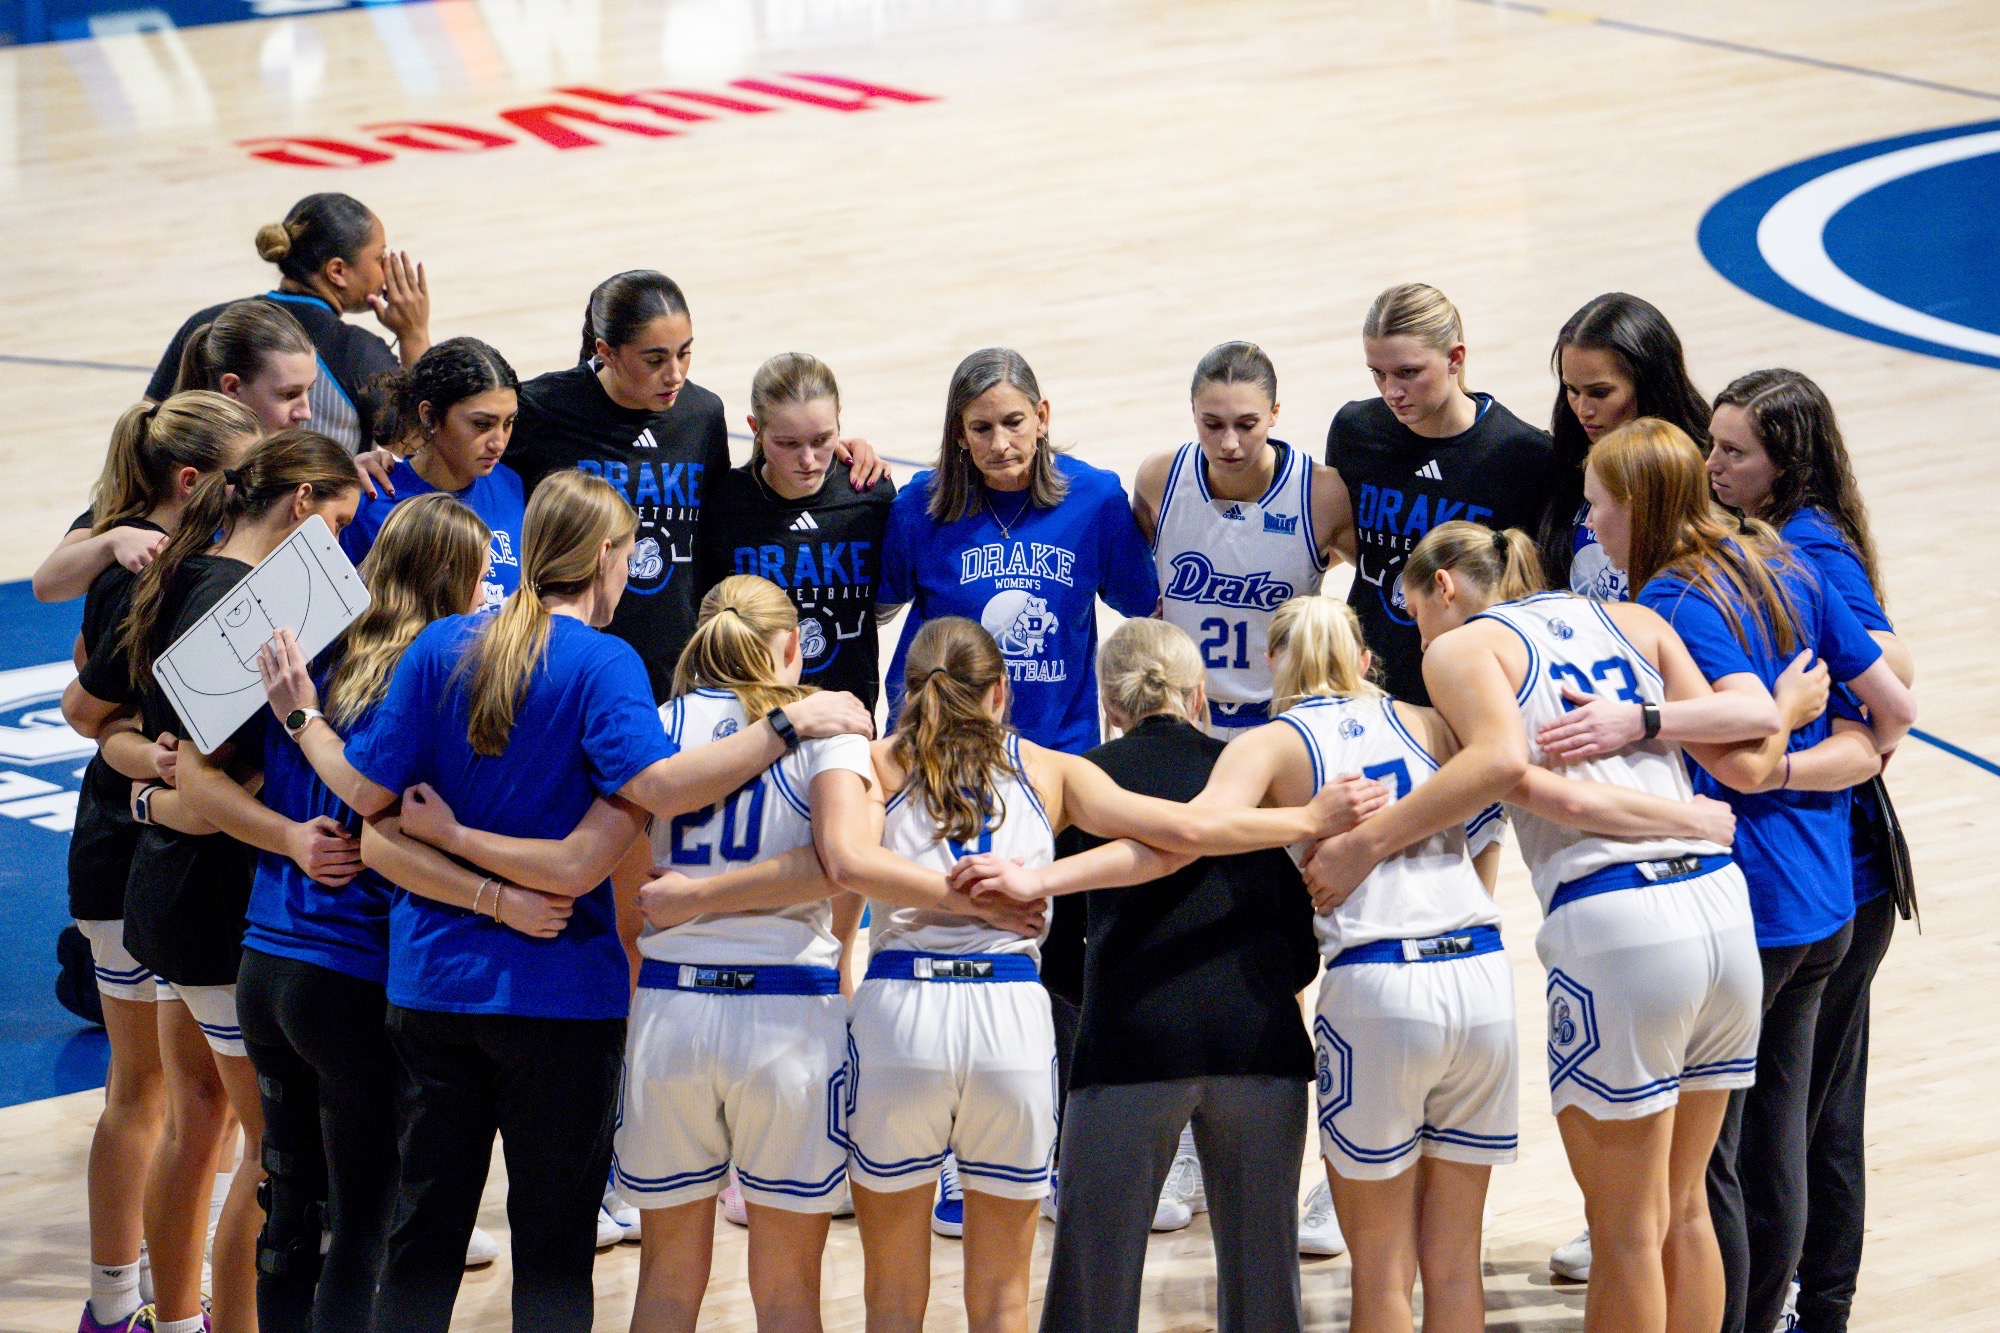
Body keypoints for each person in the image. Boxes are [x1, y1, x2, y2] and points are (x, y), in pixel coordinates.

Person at [255, 470, 873, 1332]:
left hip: (431, 989)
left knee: (420, 1240)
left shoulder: (439, 645)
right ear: (609, 555)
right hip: (560, 999)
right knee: (551, 1250)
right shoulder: (604, 663)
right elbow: (656, 791)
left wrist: (303, 719)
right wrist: (787, 722)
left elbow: (366, 800)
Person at [1293, 508, 1843, 1333]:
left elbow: (1516, 773)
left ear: (1444, 589)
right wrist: (1776, 722)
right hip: (1721, 908)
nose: (1416, 640)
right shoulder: (1633, 618)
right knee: (1686, 1206)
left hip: (1620, 922)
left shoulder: (1463, 650)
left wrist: (1364, 844)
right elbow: (1747, 745)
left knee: (1625, 1229)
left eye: (1414, 614)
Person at [809, 615, 1370, 1333]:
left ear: (909, 689)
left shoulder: (872, 762)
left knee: (893, 1294)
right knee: (1003, 1297)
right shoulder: (1054, 769)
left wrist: (957, 894)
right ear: (1002, 692)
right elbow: (1185, 834)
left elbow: (846, 861)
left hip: (904, 1010)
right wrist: (1308, 818)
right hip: (1009, 1016)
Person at [1594, 420, 1914, 1333]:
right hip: (1831, 900)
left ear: (1637, 507)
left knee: (1712, 1169)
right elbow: (1894, 711)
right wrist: (1817, 763)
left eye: (1597, 505)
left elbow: (1742, 758)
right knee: (1778, 1144)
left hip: (1753, 905)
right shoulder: (1782, 560)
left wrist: (1765, 756)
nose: (1590, 524)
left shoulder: (1673, 597)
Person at [945, 616, 1334, 1333]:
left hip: (1129, 1044)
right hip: (1260, 1046)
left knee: (1092, 1294)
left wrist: (1102, 999)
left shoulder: (1081, 781)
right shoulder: (1250, 776)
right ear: (1199, 696)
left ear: (1108, 704)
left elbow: (1053, 946)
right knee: (1265, 1296)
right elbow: (1300, 944)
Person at [64, 428, 364, 1333]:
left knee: (195, 1118)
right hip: (218, 903)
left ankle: (173, 1321)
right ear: (302, 503)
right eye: (337, 523)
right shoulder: (248, 606)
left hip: (168, 896)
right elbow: (205, 781)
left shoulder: (177, 572)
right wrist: (284, 830)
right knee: (274, 1158)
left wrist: (155, 790)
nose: (341, 545)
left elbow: (114, 725)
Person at [1706, 373, 1915, 1333]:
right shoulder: (1775, 534)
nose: (1714, 465)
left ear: (1784, 462)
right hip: (1828, 871)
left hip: (1842, 877)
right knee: (1808, 1117)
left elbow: (1891, 681)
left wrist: (1781, 758)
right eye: (1711, 445)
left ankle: (1814, 1307)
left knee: (1807, 1122)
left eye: (1734, 451)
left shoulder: (1810, 546)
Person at [53, 392, 261, 1333]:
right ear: (196, 480)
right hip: (130, 855)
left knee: (199, 1103)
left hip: (164, 855)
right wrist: (155, 766)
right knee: (150, 1091)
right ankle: (116, 1301)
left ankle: (155, 1298)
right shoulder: (146, 569)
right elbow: (86, 709)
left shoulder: (177, 561)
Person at [504, 271, 889, 702]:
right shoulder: (543, 409)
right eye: (655, 360)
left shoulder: (701, 414)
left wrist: (833, 451)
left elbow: (727, 512)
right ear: (606, 353)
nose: (675, 375)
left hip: (675, 667)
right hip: (566, 660)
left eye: (684, 353)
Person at [880, 347, 1160, 754]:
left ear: (1041, 417)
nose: (1000, 444)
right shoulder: (920, 506)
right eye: (981, 428)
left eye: (1014, 422)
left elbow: (1149, 609)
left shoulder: (1095, 500)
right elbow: (873, 610)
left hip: (1059, 750)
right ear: (959, 433)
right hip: (937, 745)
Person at [1325, 283, 1557, 705]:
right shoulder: (1355, 431)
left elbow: (1534, 590)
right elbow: (1352, 543)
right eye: (1378, 373)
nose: (1391, 391)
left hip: (1468, 690)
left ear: (1455, 358)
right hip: (1365, 681)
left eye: (1408, 372)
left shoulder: (1525, 455)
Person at [1133, 342, 1349, 736]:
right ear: (1193, 412)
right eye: (1212, 424)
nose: (1229, 443)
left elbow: (1377, 579)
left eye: (1247, 425)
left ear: (1274, 413)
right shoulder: (1159, 479)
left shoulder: (1320, 493)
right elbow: (1130, 572)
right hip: (1183, 716)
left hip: (1283, 718)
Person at [32, 303, 314, 604]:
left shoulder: (291, 463)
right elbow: (48, 584)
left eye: (309, 391)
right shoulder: (168, 460)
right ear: (232, 387)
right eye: (288, 394)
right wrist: (112, 541)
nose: (306, 412)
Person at [149, 194, 430, 452]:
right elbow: (418, 445)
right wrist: (414, 334)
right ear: (337, 271)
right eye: (379, 257)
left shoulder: (204, 324)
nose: (385, 270)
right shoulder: (356, 351)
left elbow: (148, 428)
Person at [697, 353, 897, 708]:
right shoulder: (724, 504)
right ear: (755, 429)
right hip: (753, 717)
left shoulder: (869, 495)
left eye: (822, 440)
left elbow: (884, 604)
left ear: (839, 420)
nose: (807, 460)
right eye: (788, 443)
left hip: (848, 714)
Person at [1541, 293, 1712, 604]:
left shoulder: (1709, 473)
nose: (1582, 410)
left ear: (1650, 384)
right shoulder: (1564, 460)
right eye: (1572, 390)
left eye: (1600, 393)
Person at [341, 336, 526, 610]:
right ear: (429, 416)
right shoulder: (370, 502)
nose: (498, 442)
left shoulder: (510, 484)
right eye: (481, 424)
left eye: (508, 423)